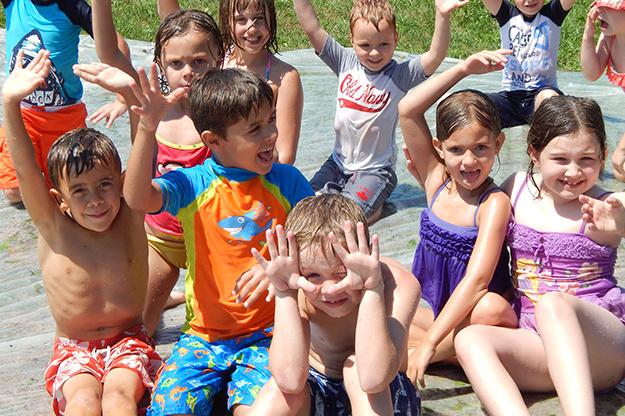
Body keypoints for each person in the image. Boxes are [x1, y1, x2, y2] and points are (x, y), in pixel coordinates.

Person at [119, 63, 315, 415]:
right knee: (169, 411)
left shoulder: (287, 181)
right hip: (202, 336)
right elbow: (136, 199)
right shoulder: (193, 184)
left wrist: (278, 263)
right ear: (213, 140)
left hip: (269, 334)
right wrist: (147, 130)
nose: (271, 134)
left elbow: (318, 237)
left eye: (271, 120)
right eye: (254, 129)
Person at [2, 49, 161, 416]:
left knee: (119, 399)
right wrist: (10, 103)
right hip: (74, 347)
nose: (95, 200)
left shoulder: (130, 215)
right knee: (84, 402)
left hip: (129, 341)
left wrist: (132, 93)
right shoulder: (54, 227)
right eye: (80, 191)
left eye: (105, 184)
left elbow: (142, 151)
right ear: (59, 200)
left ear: (121, 182)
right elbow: (27, 173)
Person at [454, 95, 625, 416]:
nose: (573, 172)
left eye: (587, 159)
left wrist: (622, 224)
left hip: (604, 348)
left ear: (603, 156)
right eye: (560, 159)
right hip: (538, 342)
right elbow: (463, 203)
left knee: (554, 304)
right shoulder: (516, 189)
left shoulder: (607, 204)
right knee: (470, 340)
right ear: (534, 153)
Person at [398, 49, 518, 388]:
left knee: (489, 308)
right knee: (383, 297)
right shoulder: (436, 180)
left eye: (481, 148)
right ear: (438, 147)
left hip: (485, 321)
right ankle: (448, 352)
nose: (469, 161)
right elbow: (407, 108)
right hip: (445, 316)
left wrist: (429, 344)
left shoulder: (493, 203)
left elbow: (478, 282)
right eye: (456, 150)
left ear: (498, 144)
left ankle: (420, 355)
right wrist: (462, 68)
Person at [292, 0, 467, 223]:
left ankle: (374, 207)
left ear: (395, 39)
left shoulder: (399, 75)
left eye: (384, 44)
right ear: (352, 41)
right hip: (337, 163)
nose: (374, 52)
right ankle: (365, 203)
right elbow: (312, 28)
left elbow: (435, 56)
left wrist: (442, 15)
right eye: (365, 45)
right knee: (304, 208)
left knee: (343, 219)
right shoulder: (344, 62)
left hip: (375, 171)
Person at [247, 194, 421, 415]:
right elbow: (289, 381)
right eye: (314, 275)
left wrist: (373, 289)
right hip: (317, 388)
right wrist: (285, 292)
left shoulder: (397, 283)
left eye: (341, 273)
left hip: (384, 393)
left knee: (357, 369)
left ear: (366, 252)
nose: (330, 289)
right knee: (276, 393)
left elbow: (374, 379)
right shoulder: (298, 284)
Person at [0, 0, 137, 204]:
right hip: (23, 112)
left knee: (69, 186)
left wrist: (121, 99)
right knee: (14, 190)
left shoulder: (71, 5)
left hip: (64, 117)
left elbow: (116, 45)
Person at [145, 9, 224, 335]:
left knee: (210, 325)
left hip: (211, 240)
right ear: (161, 67)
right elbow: (144, 171)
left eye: (199, 61)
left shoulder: (226, 115)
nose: (188, 72)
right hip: (160, 237)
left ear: (219, 58)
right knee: (142, 323)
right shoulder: (156, 114)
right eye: (176, 64)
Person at [157, 0, 304, 165]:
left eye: (260, 18)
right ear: (227, 21)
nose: (252, 28)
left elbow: (285, 157)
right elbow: (176, 25)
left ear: (272, 19)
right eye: (241, 19)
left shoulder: (284, 77)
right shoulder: (211, 60)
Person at [478, 0, 577, 128]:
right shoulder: (506, 13)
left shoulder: (553, 13)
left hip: (541, 92)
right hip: (510, 97)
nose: (530, 0)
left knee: (550, 98)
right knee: (475, 106)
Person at [581, 0, 625, 181]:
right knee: (615, 169)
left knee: (620, 164)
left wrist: (622, 148)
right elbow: (591, 73)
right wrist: (587, 37)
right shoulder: (610, 38)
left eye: (608, 7)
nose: (598, 10)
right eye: (598, 4)